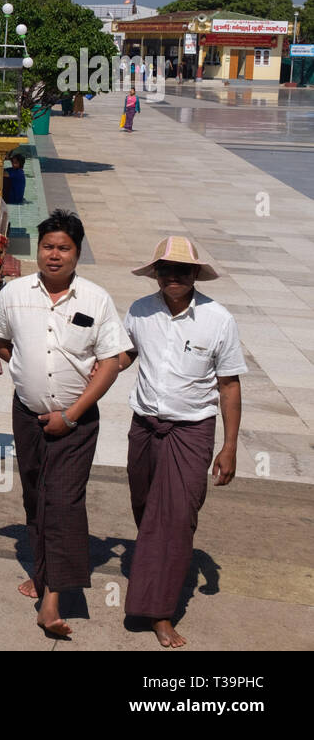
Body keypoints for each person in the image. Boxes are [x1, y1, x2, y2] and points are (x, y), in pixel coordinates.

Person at [0, 209, 132, 637]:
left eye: (63, 248)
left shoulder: (96, 299)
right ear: (39, 249)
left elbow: (110, 362)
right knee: (34, 495)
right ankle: (43, 571)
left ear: (77, 253)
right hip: (26, 417)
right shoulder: (13, 293)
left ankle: (52, 601)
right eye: (48, 246)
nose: (54, 255)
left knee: (63, 502)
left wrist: (70, 414)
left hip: (77, 422)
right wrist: (24, 371)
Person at [116, 237, 246, 648]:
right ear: (155, 273)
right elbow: (123, 356)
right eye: (166, 269)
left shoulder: (218, 319)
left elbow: (228, 385)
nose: (174, 276)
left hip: (191, 433)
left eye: (183, 270)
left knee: (174, 519)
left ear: (195, 275)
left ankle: (160, 612)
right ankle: (158, 569)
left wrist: (229, 447)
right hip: (144, 428)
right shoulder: (139, 311)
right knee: (145, 509)